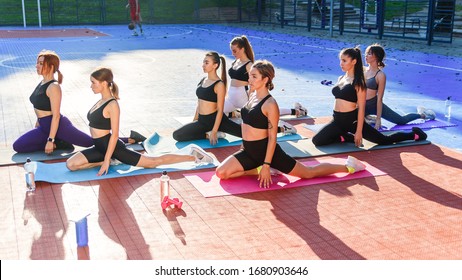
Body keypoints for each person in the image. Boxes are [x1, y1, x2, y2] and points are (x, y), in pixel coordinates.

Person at [216, 60, 367, 188]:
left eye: (254, 76)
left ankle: (349, 165)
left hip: (268, 152)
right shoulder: (252, 95)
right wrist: (244, 146)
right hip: (248, 151)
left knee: (308, 173)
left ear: (266, 79)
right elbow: (246, 124)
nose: (250, 79)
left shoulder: (270, 104)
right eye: (250, 76)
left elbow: (272, 138)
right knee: (221, 173)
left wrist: (267, 164)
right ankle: (260, 167)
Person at [66, 67, 213, 175]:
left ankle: (193, 156)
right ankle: (111, 160)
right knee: (71, 164)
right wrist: (105, 160)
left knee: (153, 162)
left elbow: (115, 134)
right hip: (99, 148)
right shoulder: (100, 101)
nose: (91, 86)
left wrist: (106, 160)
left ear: (104, 83)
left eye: (93, 83)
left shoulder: (112, 104)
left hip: (113, 148)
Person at [13, 50, 146, 154]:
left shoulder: (53, 87)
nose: (37, 65)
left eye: (41, 63)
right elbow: (39, 107)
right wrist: (39, 126)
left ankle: (130, 139)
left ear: (51, 66)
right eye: (38, 62)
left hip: (58, 127)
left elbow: (56, 115)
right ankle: (60, 142)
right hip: (44, 127)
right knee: (18, 146)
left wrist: (50, 139)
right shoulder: (42, 83)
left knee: (90, 142)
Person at [312, 47, 428, 148]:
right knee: (317, 140)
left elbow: (361, 108)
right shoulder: (341, 78)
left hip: (352, 121)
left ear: (354, 61)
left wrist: (358, 132)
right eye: (340, 60)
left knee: (384, 140)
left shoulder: (359, 83)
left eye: (344, 60)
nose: (341, 63)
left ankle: (415, 135)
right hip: (337, 120)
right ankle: (345, 137)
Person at [225, 35, 307, 123]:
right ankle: (235, 113)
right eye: (232, 51)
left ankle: (296, 111)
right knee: (215, 110)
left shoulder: (249, 65)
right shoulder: (236, 62)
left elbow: (255, 82)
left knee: (267, 112)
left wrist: (253, 96)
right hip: (231, 98)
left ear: (242, 49)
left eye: (235, 51)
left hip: (243, 97)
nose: (233, 54)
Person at [172, 52, 242, 145]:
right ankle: (208, 135)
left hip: (217, 120)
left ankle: (216, 131)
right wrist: (194, 121)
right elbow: (199, 103)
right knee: (177, 135)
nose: (203, 65)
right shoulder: (203, 80)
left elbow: (220, 110)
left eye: (206, 63)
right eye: (203, 62)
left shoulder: (219, 84)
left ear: (215, 65)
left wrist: (214, 130)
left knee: (247, 134)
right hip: (202, 120)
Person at [364, 43, 435, 129]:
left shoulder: (380, 75)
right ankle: (367, 118)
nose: (365, 55)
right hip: (362, 105)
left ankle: (422, 114)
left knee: (401, 121)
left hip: (374, 104)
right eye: (366, 53)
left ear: (376, 56)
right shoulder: (363, 71)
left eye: (369, 53)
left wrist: (379, 119)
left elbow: (379, 99)